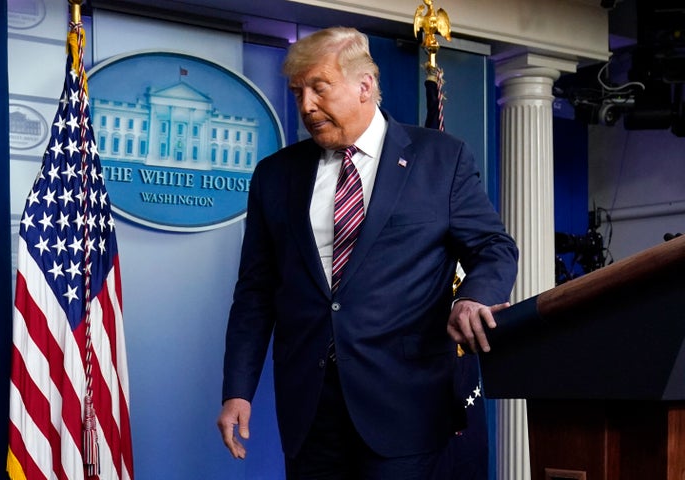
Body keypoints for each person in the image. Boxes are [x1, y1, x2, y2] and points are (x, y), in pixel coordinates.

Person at [216, 26, 518, 479]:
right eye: (298, 92)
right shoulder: (274, 176)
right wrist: (237, 390)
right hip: (309, 411)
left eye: (319, 88)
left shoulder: (441, 158)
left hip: (406, 404)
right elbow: (256, 292)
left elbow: (493, 246)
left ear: (364, 85)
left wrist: (473, 296)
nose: (306, 106)